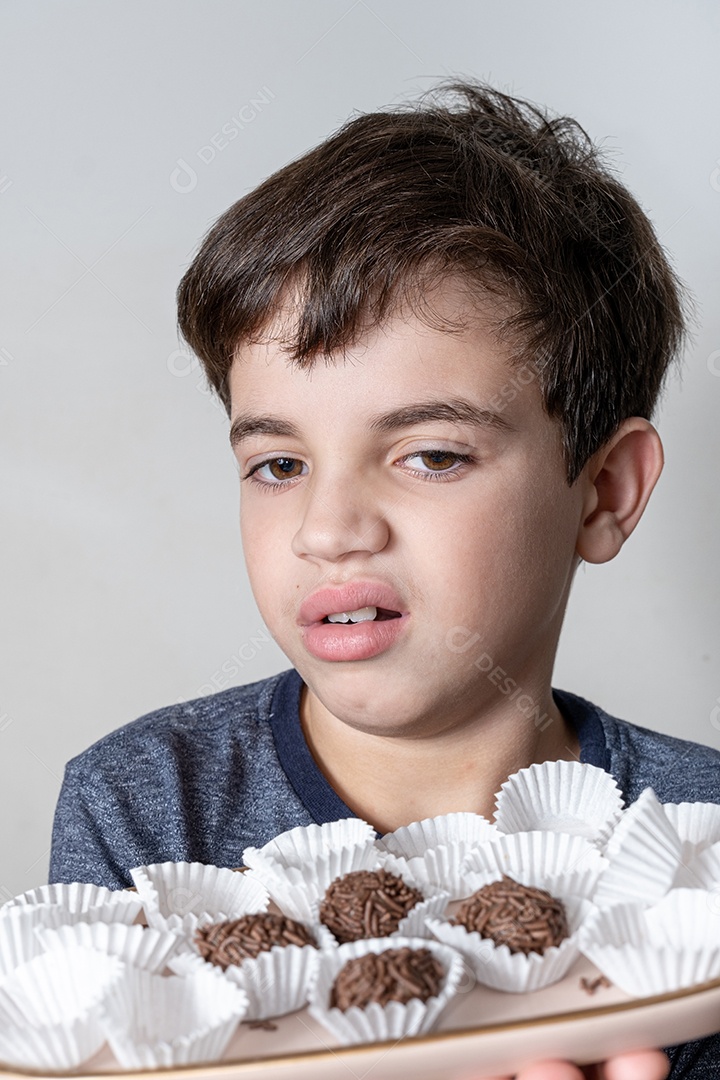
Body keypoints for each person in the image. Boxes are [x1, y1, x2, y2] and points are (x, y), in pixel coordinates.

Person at [50, 83, 719, 1079]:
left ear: (602, 493)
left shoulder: (696, 853)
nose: (329, 530)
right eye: (279, 465)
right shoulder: (146, 808)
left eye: (432, 455)